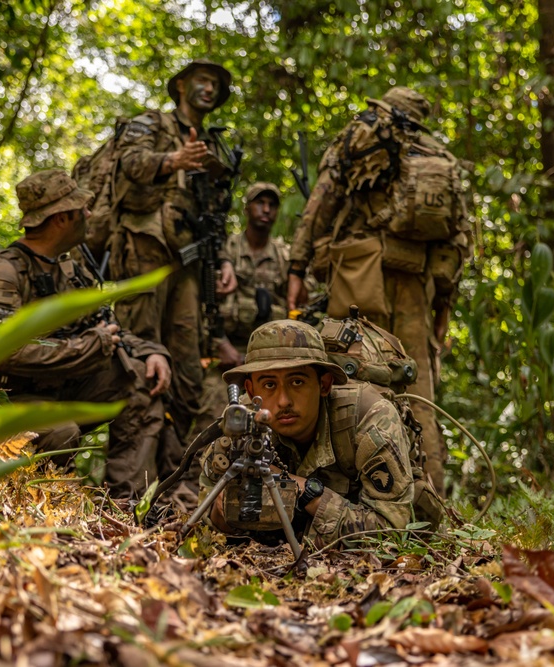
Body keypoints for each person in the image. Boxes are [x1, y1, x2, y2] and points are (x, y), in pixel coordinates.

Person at [286, 86, 472, 494]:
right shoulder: (439, 158)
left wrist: (296, 268)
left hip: (359, 271)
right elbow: (458, 239)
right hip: (416, 282)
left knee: (349, 378)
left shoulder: (361, 136)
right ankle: (427, 497)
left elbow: (321, 204)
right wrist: (444, 305)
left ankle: (348, 494)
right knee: (418, 390)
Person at [0, 169, 175, 498]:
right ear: (61, 218)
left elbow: (103, 326)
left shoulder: (68, 270)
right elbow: (4, 353)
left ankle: (126, 507)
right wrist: (87, 347)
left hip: (57, 387)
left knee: (141, 385)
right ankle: (43, 506)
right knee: (62, 432)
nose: (89, 215)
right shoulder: (0, 274)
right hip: (2, 400)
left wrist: (150, 351)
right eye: (82, 209)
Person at [104, 59, 239, 440]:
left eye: (215, 84)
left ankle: (176, 476)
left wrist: (223, 259)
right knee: (140, 355)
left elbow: (216, 210)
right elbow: (128, 162)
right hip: (146, 251)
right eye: (202, 80)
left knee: (187, 366)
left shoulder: (214, 144)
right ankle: (130, 478)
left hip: (189, 263)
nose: (209, 89)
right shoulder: (152, 123)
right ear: (181, 85)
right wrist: (172, 160)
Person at [199, 320, 415, 550]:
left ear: (324, 384)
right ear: (251, 391)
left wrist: (304, 492)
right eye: (269, 385)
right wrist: (222, 513)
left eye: (297, 382)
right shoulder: (240, 423)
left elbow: (392, 533)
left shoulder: (370, 418)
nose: (284, 401)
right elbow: (205, 522)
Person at [191, 181, 290, 438]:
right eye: (260, 202)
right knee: (211, 415)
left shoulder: (284, 256)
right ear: (247, 208)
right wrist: (220, 345)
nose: (266, 209)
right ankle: (196, 476)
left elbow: (298, 307)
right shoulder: (226, 251)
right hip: (226, 355)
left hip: (269, 360)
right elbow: (205, 307)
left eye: (272, 205)